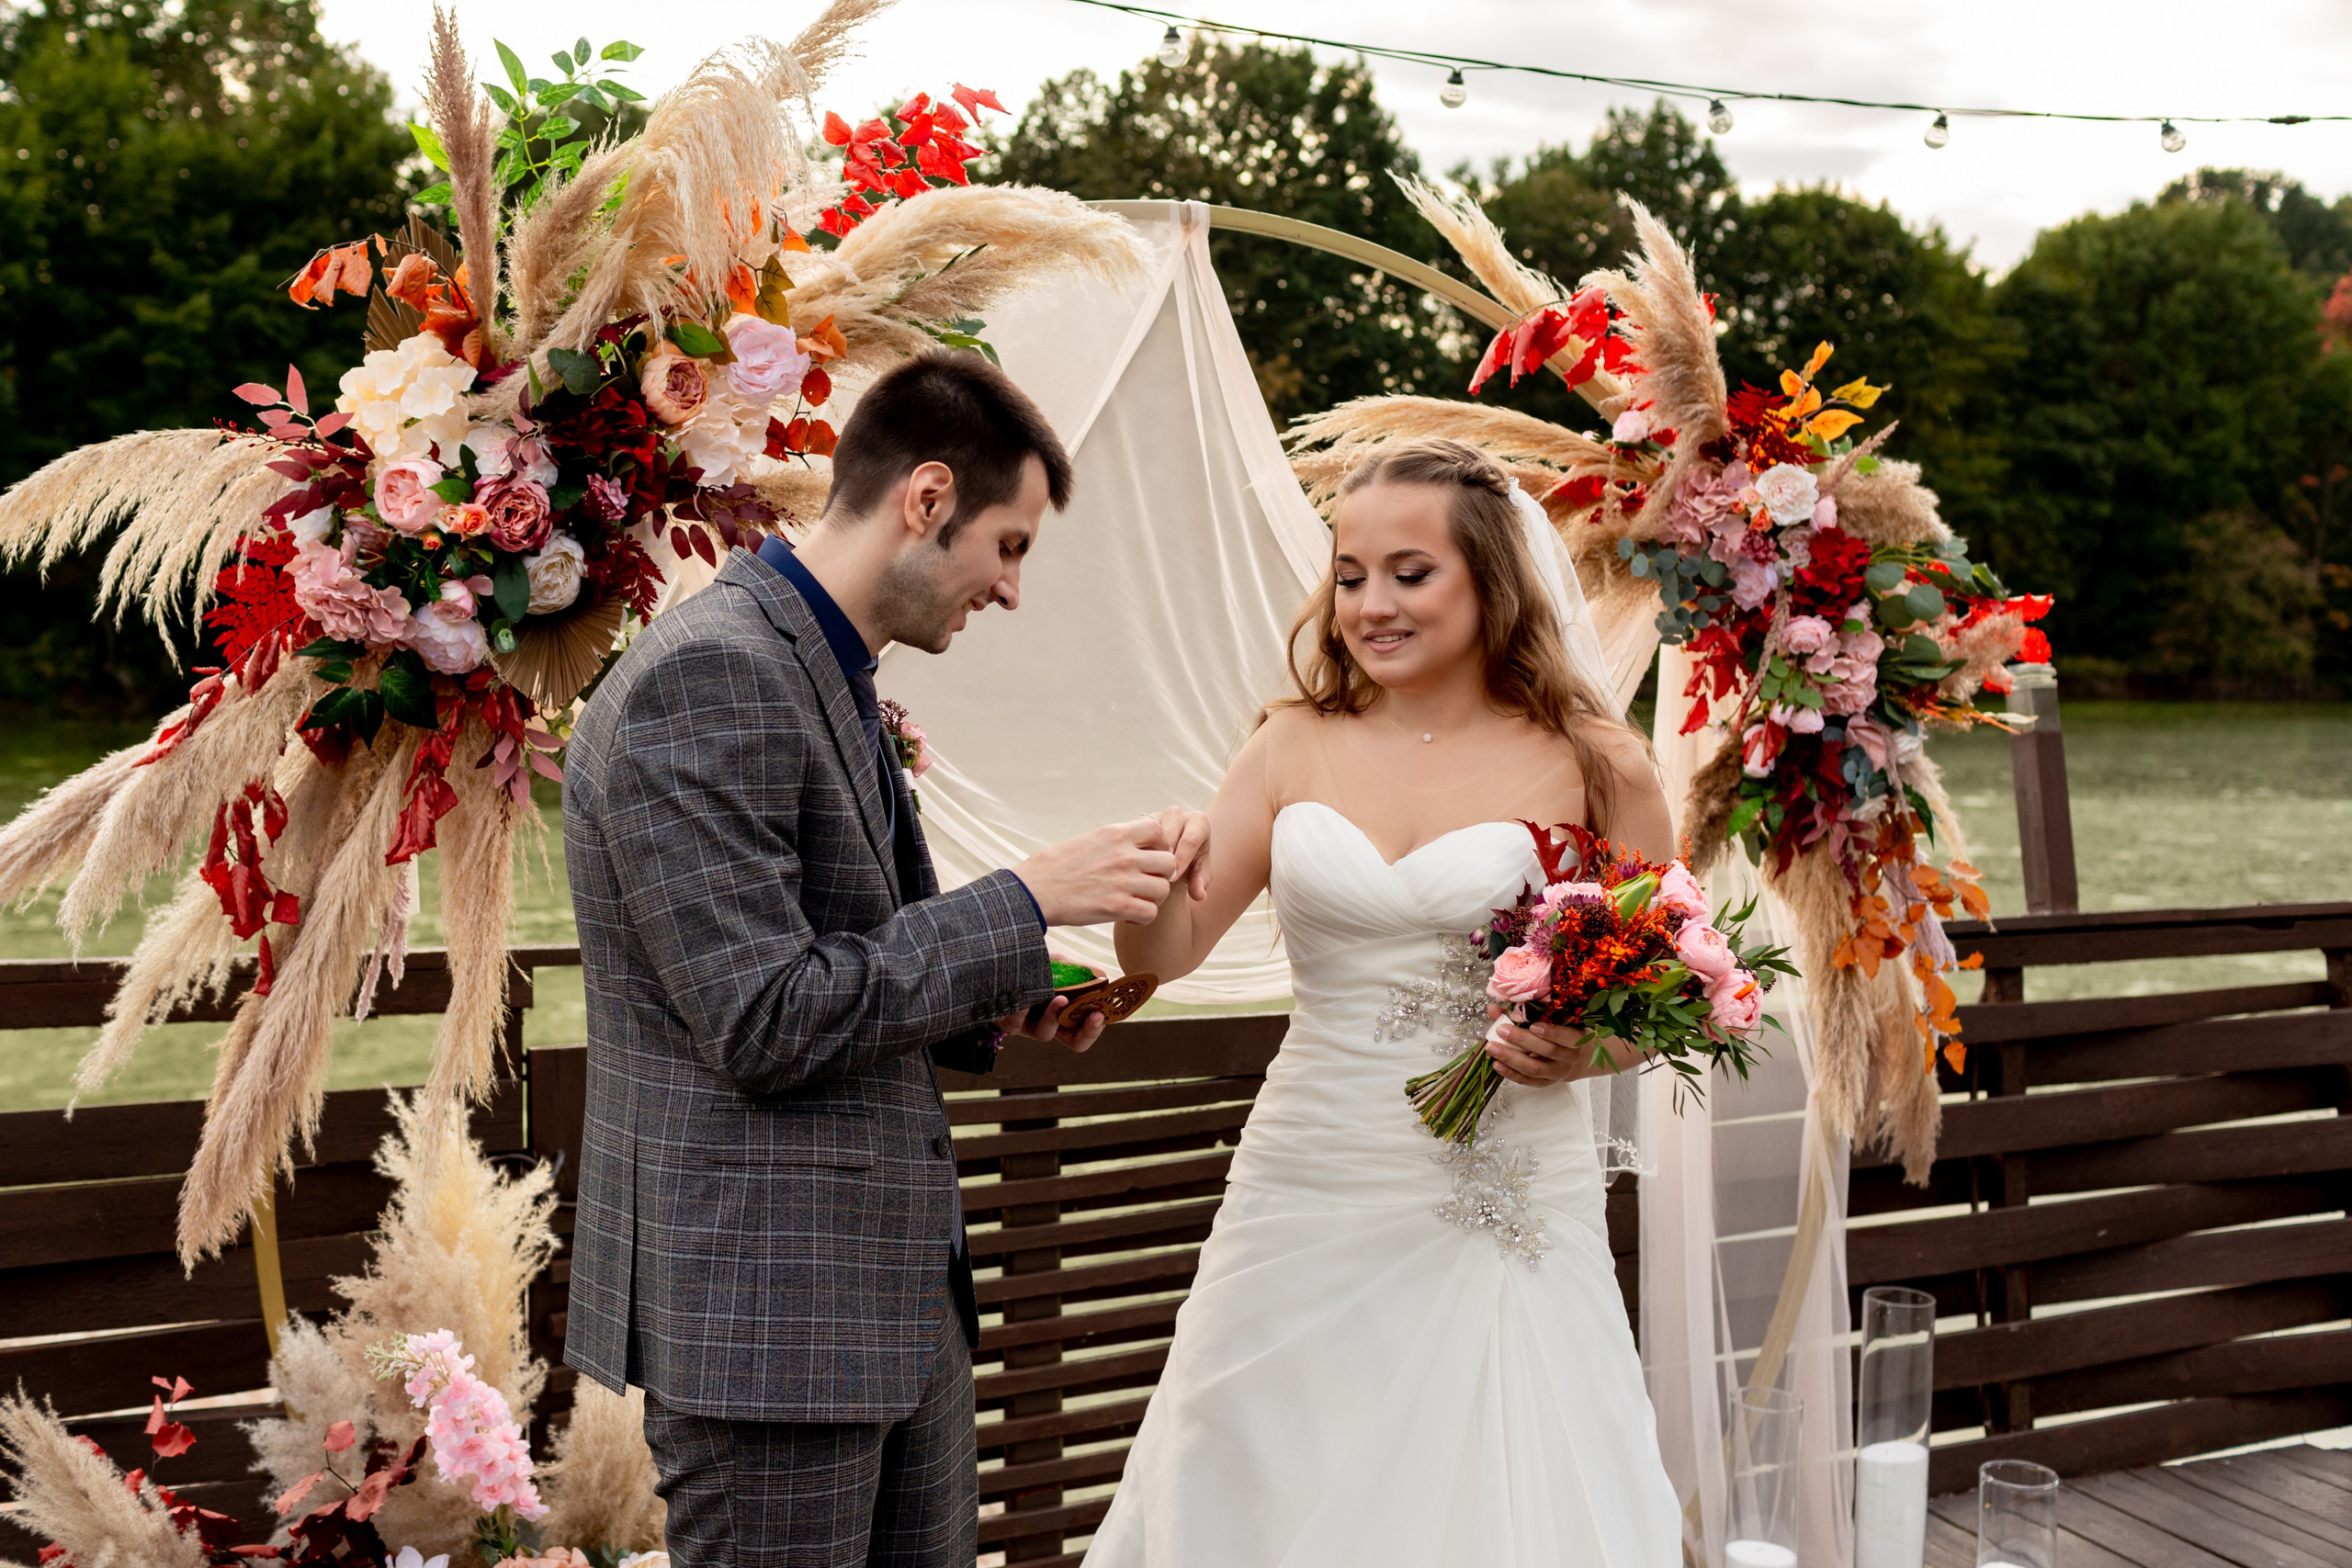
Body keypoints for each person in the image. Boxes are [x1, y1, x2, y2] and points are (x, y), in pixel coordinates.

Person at [561, 350, 1211, 1568]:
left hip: (889, 1311)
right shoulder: (709, 678)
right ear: (925, 500)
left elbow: (843, 952)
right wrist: (1023, 900)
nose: (1010, 588)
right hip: (774, 1325)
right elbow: (760, 1017)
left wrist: (1014, 989)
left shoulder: (828, 671)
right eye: (1009, 545)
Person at [1088, 437, 1683, 1565]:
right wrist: (1145, 886)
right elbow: (1170, 947)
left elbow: (1656, 999)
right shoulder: (1290, 744)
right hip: (1306, 1173)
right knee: (1252, 1461)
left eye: (1411, 574)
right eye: (1350, 575)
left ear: (1489, 583)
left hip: (1500, 1184)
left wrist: (1578, 1051)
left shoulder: (1596, 764)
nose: (1372, 604)